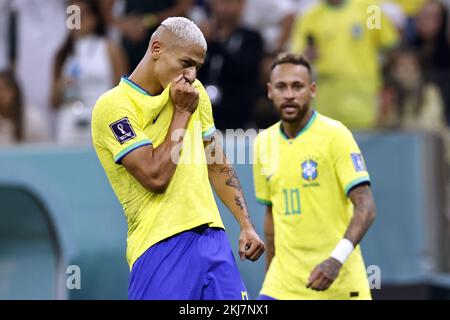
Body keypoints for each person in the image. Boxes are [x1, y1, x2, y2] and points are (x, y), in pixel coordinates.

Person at [91, 17, 264, 300]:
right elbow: (155, 177)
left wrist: (246, 225)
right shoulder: (113, 106)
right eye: (186, 63)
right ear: (156, 48)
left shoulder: (195, 96)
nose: (192, 75)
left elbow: (216, 162)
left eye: (197, 66)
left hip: (213, 240)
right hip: (160, 246)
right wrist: (181, 113)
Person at [253, 53, 376, 300]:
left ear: (312, 90)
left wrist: (336, 259)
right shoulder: (263, 143)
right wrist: (270, 275)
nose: (289, 94)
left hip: (337, 283)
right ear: (270, 91)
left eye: (297, 86)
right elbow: (271, 214)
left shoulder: (336, 135)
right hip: (283, 285)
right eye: (281, 86)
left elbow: (366, 206)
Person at [290, 0, 399, 130]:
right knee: (327, 142)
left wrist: (388, 85)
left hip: (363, 94)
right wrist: (307, 55)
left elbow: (390, 45)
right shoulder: (310, 16)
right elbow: (297, 55)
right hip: (327, 96)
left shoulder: (371, 10)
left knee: (362, 144)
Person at [52, 0, 127, 145]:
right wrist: (62, 85)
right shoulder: (62, 54)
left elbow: (123, 92)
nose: (77, 21)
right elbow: (53, 102)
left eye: (82, 15)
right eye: (72, 15)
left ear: (95, 18)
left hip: (102, 119)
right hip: (70, 123)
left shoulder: (110, 49)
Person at [198, 0, 264, 130]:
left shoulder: (251, 38)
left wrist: (216, 43)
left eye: (229, 3)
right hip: (202, 118)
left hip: (237, 121)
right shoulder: (201, 37)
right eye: (219, 3)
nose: (223, 8)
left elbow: (244, 70)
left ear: (241, 5)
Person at [0, 70, 48, 144]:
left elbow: (45, 149)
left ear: (15, 91)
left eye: (4, 89)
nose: (1, 94)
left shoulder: (33, 117)